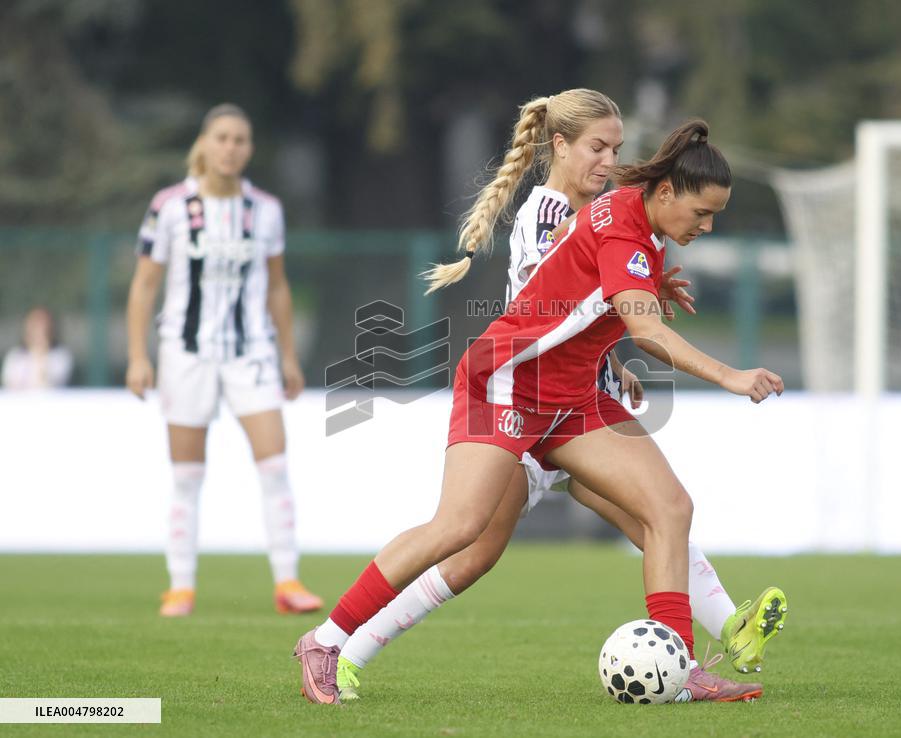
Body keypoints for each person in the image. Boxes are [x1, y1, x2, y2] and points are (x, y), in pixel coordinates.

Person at [294, 113, 784, 705]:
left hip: (573, 396)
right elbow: (646, 331)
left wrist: (642, 290)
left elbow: (584, 275)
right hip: (506, 381)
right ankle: (326, 641)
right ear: (665, 191)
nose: (707, 226)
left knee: (669, 508)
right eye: (702, 212)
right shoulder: (623, 225)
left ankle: (677, 667)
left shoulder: (632, 214)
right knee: (459, 530)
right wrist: (730, 374)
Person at [125, 103, 323, 617]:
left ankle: (287, 581)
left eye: (240, 139)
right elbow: (145, 285)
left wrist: (288, 356)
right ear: (204, 144)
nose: (230, 147)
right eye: (222, 138)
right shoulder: (169, 206)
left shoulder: (265, 210)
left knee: (275, 464)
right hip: (185, 353)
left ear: (248, 149)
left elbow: (277, 286)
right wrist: (136, 356)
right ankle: (181, 585)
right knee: (188, 474)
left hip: (250, 351)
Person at [2, 307, 73, 389]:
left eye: (43, 327)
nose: (39, 331)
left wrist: (41, 354)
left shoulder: (61, 356)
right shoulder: (15, 356)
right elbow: (10, 386)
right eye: (35, 327)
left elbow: (49, 385)